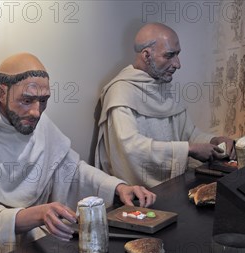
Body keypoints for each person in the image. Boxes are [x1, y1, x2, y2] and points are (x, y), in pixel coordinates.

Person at [0, 53, 156, 253]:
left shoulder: (35, 123)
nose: (36, 112)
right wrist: (34, 215)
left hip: (41, 247)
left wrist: (117, 187)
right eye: (26, 100)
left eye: (43, 101)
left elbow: (70, 170)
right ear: (1, 92)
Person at [95, 23, 235, 188]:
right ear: (147, 55)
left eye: (177, 55)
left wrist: (214, 140)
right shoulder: (120, 92)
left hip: (173, 186)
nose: (177, 64)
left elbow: (188, 134)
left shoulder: (163, 85)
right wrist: (188, 150)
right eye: (169, 55)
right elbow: (130, 148)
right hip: (138, 195)